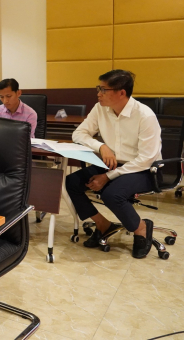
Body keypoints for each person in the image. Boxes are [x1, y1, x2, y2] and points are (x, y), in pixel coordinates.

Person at [66, 70, 161, 259]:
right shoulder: (100, 108)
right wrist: (101, 146)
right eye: (98, 88)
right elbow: (78, 134)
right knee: (72, 182)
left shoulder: (145, 115)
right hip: (112, 163)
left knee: (112, 194)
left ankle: (141, 228)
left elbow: (146, 159)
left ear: (121, 93)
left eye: (103, 89)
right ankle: (103, 225)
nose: (98, 93)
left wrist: (107, 176)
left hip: (144, 169)